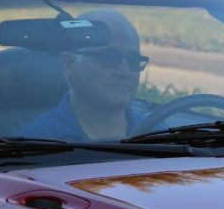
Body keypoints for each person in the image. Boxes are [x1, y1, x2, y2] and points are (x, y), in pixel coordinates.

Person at [17, 9, 151, 140]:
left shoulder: (157, 134)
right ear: (70, 64)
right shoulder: (34, 144)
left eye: (134, 60)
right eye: (108, 58)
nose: (125, 72)